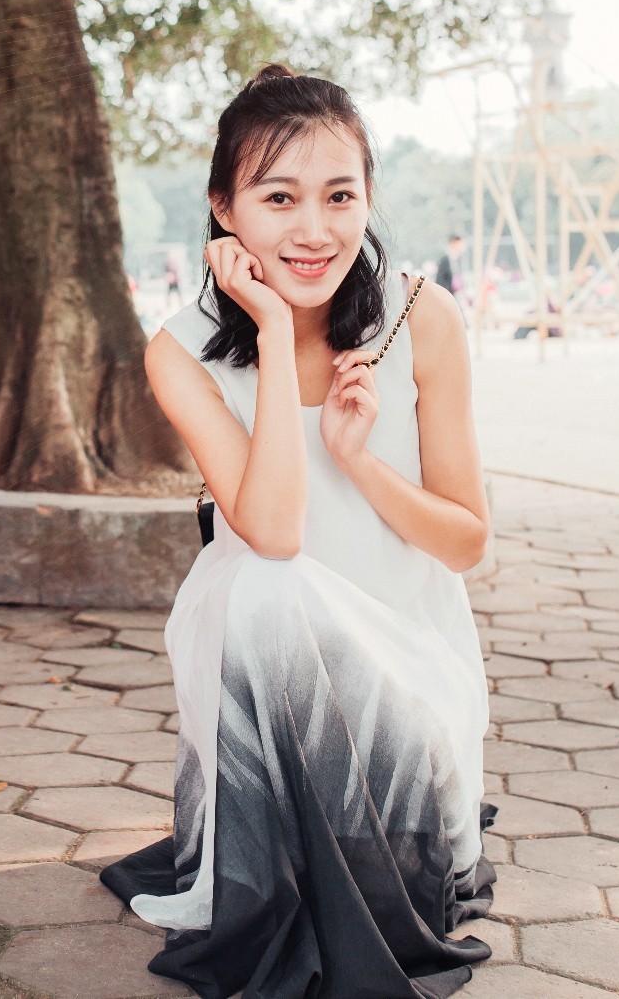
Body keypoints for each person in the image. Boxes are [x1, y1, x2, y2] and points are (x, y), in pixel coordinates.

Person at [99, 63, 496, 997]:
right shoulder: (180, 349)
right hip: (258, 645)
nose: (314, 229)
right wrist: (274, 332)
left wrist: (360, 461)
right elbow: (273, 530)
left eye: (339, 195)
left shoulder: (419, 316)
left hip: (405, 646)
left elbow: (467, 541)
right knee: (271, 585)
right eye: (279, 197)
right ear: (224, 208)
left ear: (368, 197)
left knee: (389, 851)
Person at [434, 233, 466, 299]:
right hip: (446, 297)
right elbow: (440, 281)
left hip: (453, 296)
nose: (462, 247)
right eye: (460, 244)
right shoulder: (445, 260)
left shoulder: (456, 259)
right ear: (453, 243)